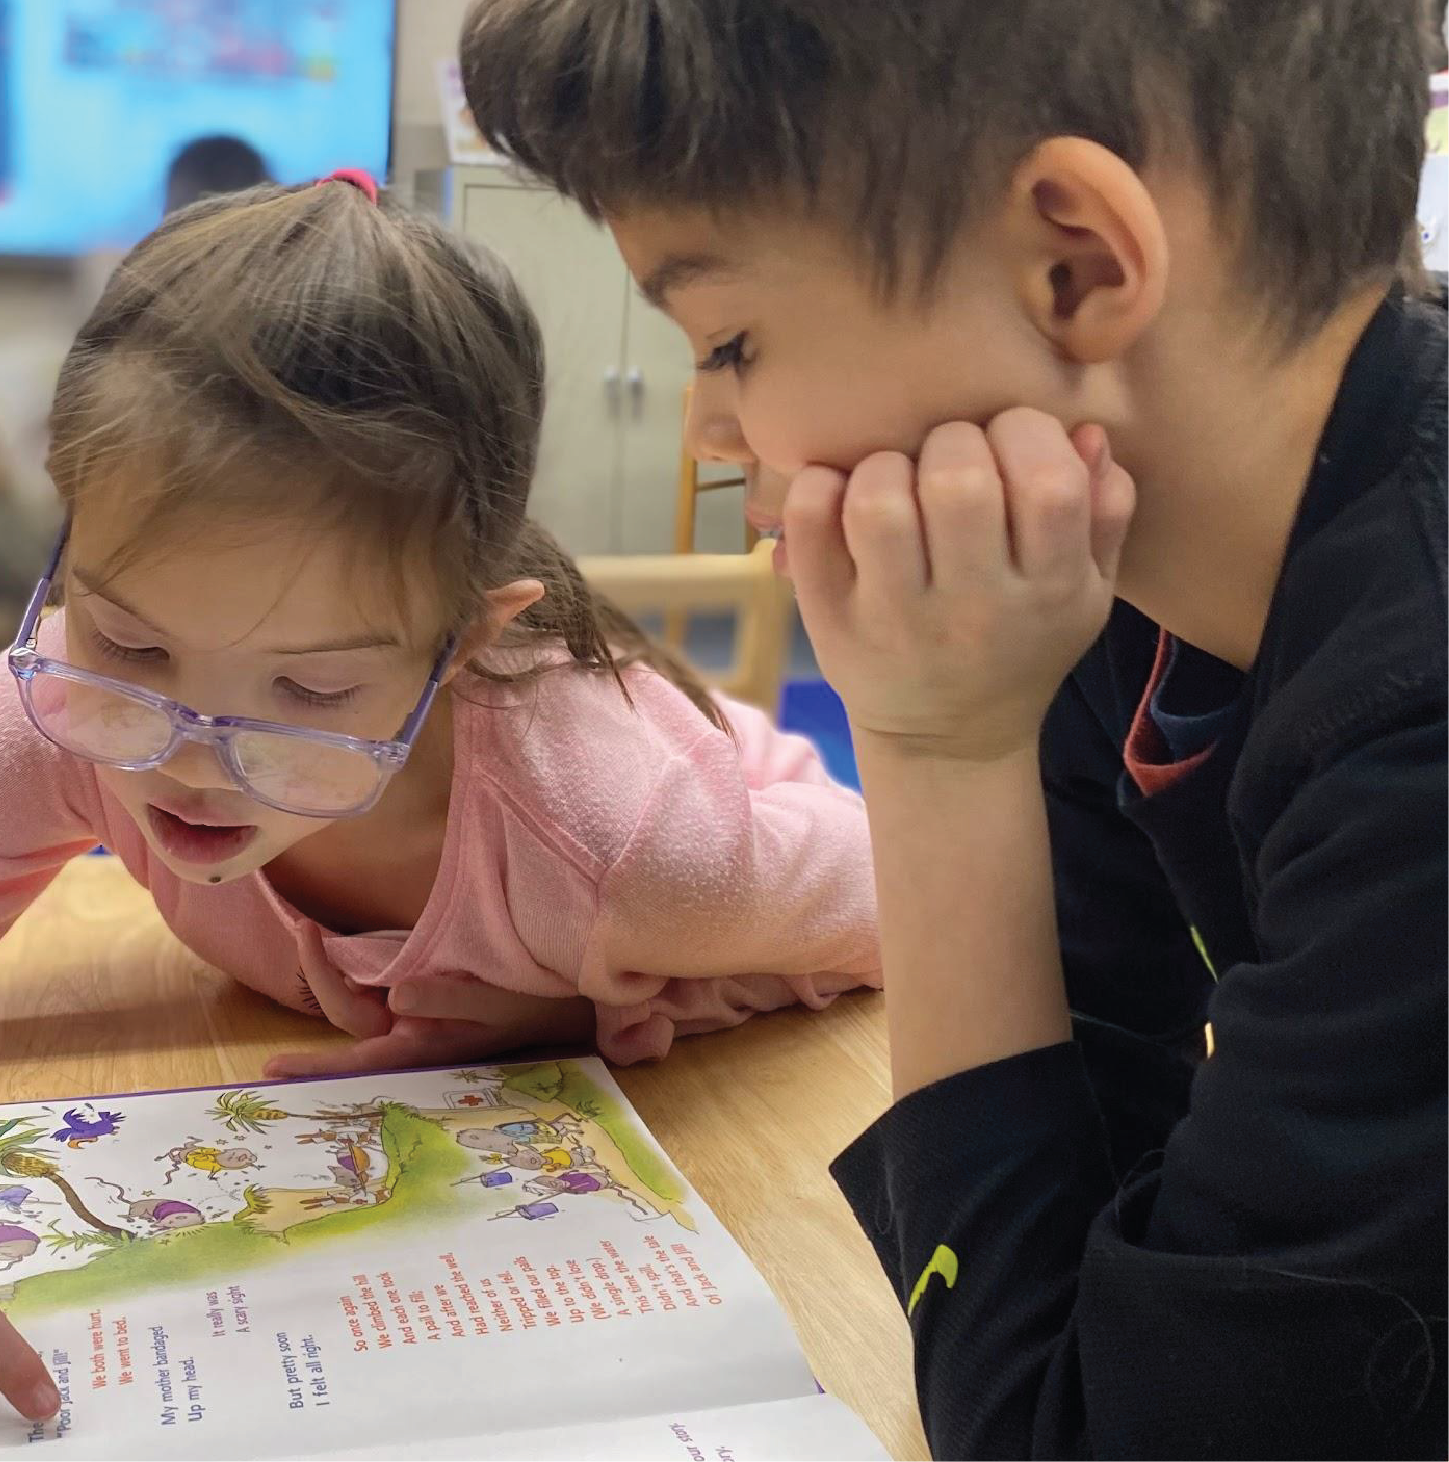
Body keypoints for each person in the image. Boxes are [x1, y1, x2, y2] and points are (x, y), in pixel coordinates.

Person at [0, 175, 880, 1455]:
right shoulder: (65, 703)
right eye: (133, 642)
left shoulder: (635, 845)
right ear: (68, 554)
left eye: (315, 686)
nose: (192, 759)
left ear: (462, 646)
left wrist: (607, 1002)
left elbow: (912, 902)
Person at [459, 1, 1446, 1456]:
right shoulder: (1106, 583)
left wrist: (932, 751)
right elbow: (1083, 1193)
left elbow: (1073, 1432)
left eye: (730, 338)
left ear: (1077, 262)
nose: (710, 432)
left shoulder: (1414, 728)